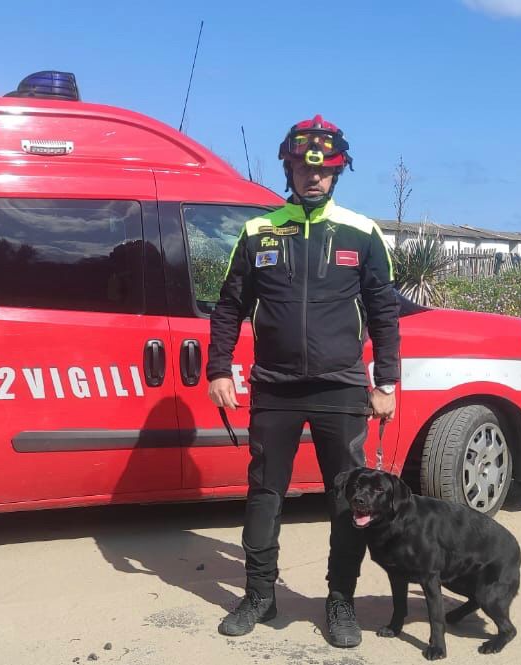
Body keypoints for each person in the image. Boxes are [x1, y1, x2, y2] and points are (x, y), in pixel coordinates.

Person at [206, 115, 400, 647]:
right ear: (289, 169)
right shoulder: (258, 232)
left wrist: (386, 382)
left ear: (337, 173)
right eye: (302, 168)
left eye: (324, 170)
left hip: (342, 386)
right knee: (265, 493)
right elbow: (229, 306)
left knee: (350, 501)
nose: (313, 177)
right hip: (275, 386)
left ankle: (340, 601)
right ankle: (258, 595)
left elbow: (384, 312)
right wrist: (218, 368)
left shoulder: (362, 233)